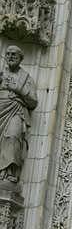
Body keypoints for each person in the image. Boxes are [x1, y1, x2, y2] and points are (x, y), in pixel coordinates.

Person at [0, 45, 38, 183]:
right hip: (1, 109)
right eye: (8, 54)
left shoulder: (26, 78)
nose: (10, 57)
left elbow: (33, 102)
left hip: (16, 111)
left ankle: (9, 172)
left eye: (14, 54)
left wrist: (18, 90)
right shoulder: (1, 74)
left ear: (21, 58)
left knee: (13, 136)